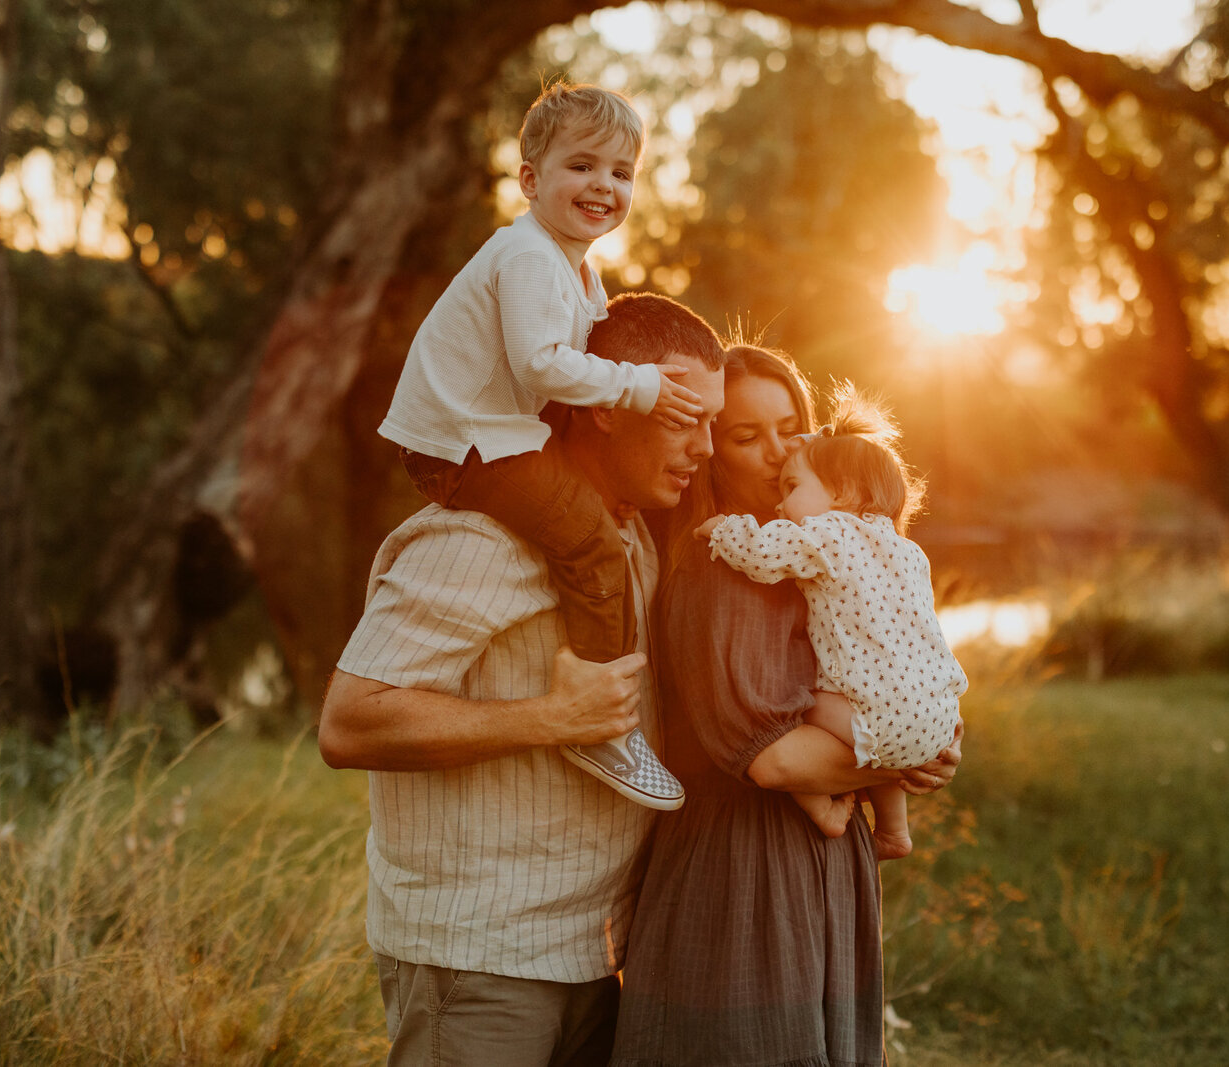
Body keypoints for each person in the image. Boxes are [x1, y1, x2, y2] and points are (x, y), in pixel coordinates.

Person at [319, 293, 726, 1067]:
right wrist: (550, 719)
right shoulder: (477, 539)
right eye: (682, 415)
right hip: (480, 959)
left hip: (596, 951)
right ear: (604, 402)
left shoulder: (630, 529)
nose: (704, 445)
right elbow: (349, 722)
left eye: (712, 421)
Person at [610, 346, 963, 1067]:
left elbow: (897, 660)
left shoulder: (826, 557)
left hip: (827, 858)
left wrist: (926, 736)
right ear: (710, 450)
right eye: (746, 436)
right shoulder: (722, 565)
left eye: (791, 426)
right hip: (745, 865)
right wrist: (895, 753)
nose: (779, 453)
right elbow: (771, 761)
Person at [378, 80, 700, 809]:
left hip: (500, 431)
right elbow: (540, 364)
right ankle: (596, 718)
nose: (603, 185)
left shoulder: (577, 266)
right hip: (460, 442)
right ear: (530, 179)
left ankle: (614, 687)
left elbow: (576, 358)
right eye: (582, 166)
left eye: (622, 173)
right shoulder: (526, 256)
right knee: (588, 538)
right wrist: (641, 385)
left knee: (601, 513)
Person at [695, 383, 968, 860]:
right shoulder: (907, 551)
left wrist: (724, 530)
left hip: (879, 719)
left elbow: (761, 553)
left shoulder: (828, 534)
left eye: (792, 488)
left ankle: (821, 806)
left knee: (797, 709)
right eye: (748, 437)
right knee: (873, 728)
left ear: (840, 494)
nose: (781, 504)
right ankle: (895, 829)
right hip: (938, 716)